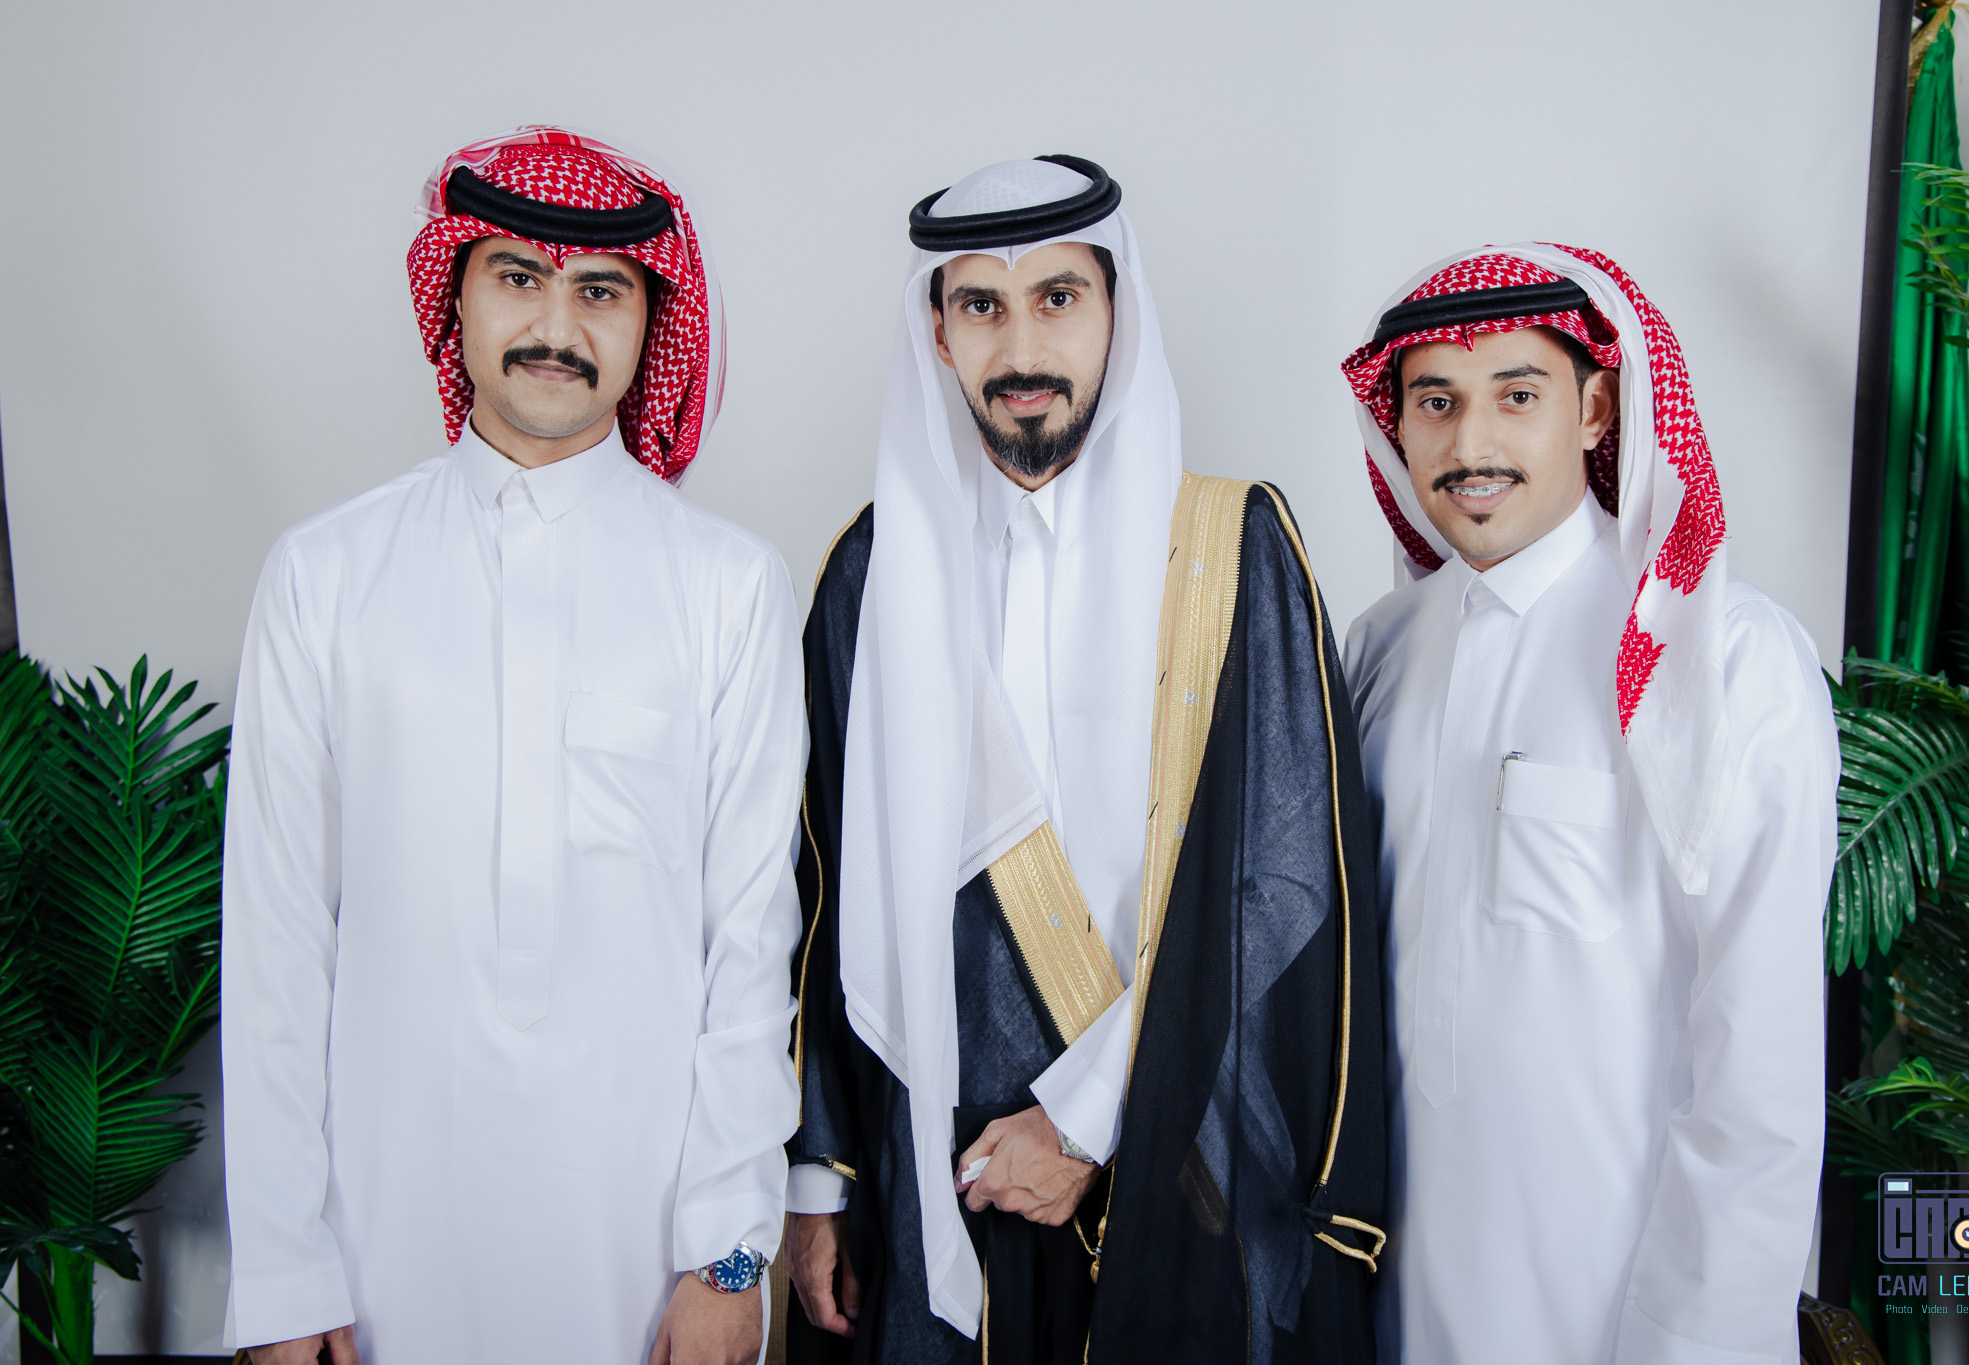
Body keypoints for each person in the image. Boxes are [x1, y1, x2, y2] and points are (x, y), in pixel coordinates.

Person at [781, 155, 1387, 1365]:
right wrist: (817, 1181)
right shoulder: (869, 571)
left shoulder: (1232, 546)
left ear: (1117, 312)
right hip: (935, 1167)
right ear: (938, 333)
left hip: (1179, 1148)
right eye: (981, 305)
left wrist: (1080, 1119)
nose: (1021, 348)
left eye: (1057, 298)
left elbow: (1284, 884)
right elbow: (816, 882)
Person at [221, 126, 803, 1365]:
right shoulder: (325, 574)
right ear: (455, 300)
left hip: (647, 1251)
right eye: (518, 278)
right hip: (376, 1245)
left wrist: (730, 1260)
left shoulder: (729, 588)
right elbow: (276, 942)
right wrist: (281, 1274)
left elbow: (750, 949)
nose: (556, 325)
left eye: (600, 291)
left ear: (648, 323)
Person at [1338, 246, 1836, 1363]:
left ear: (1596, 408)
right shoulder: (1380, 651)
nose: (1470, 444)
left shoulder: (1718, 655)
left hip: (1614, 1307)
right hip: (1384, 1294)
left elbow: (1757, 1061)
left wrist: (1697, 1339)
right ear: (1397, 422)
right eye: (1435, 402)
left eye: (1517, 395)